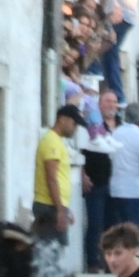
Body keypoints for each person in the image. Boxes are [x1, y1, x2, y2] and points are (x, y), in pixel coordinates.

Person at [66, 0, 138, 102]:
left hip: (122, 17)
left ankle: (113, 90)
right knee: (105, 47)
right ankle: (102, 78)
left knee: (107, 47)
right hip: (117, 16)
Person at [34, 105, 84, 245]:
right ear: (63, 120)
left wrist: (65, 208)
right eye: (74, 124)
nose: (76, 129)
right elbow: (52, 178)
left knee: (53, 252)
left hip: (53, 205)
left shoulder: (56, 141)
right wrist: (60, 210)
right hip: (48, 206)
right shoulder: (52, 142)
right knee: (49, 253)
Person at [84, 92, 119, 272]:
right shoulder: (92, 126)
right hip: (96, 181)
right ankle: (93, 264)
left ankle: (109, 264)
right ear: (99, 104)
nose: (112, 105)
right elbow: (80, 150)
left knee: (112, 226)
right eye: (107, 101)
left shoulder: (122, 126)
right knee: (95, 224)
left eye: (114, 101)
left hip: (116, 185)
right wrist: (82, 175)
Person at [109, 102, 139, 233]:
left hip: (117, 189)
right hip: (134, 190)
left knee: (119, 232)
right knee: (133, 233)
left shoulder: (116, 133)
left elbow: (111, 157)